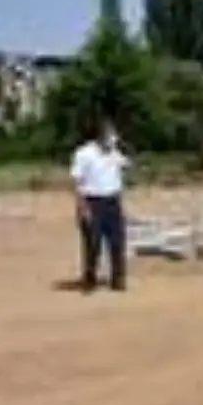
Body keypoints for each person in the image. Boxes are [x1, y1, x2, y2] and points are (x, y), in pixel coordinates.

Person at [70, 118, 130, 292]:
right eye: (111, 134)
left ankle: (118, 279)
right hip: (93, 202)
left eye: (114, 134)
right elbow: (78, 182)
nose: (114, 138)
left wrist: (122, 154)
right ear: (101, 135)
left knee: (117, 242)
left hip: (113, 201)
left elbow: (127, 166)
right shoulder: (84, 154)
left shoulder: (114, 153)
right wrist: (82, 208)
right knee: (93, 243)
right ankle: (89, 278)